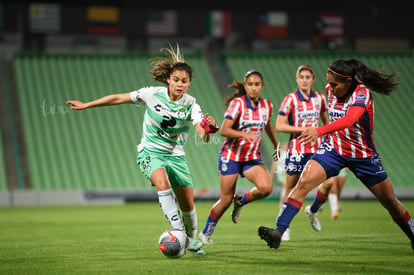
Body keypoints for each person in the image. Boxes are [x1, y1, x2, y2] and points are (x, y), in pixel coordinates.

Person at [66, 44, 219, 255]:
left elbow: (202, 133)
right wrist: (87, 104)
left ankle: (190, 241)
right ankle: (178, 233)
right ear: (168, 79)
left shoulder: (192, 104)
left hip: (175, 156)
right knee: (161, 181)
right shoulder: (151, 94)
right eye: (176, 80)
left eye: (184, 81)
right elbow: (119, 98)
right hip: (150, 152)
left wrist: (208, 129)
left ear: (189, 83)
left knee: (188, 204)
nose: (180, 84)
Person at [258, 58, 414, 250]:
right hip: (334, 150)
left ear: (348, 82)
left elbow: (349, 120)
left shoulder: (362, 93)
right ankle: (278, 232)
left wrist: (319, 131)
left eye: (334, 84)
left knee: (390, 202)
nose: (329, 88)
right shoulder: (330, 90)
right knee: (303, 183)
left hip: (363, 155)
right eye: (328, 82)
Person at [198, 70, 279, 244]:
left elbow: (267, 124)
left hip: (251, 158)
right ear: (245, 86)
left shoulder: (267, 106)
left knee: (266, 188)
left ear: (262, 86)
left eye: (257, 84)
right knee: (226, 199)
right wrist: (245, 135)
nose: (254, 88)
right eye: (250, 84)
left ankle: (241, 200)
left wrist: (275, 144)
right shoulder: (238, 105)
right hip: (232, 156)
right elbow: (224, 130)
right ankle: (206, 233)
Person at [274, 65, 329, 240]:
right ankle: (283, 226)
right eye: (302, 77)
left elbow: (327, 123)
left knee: (330, 182)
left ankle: (313, 210)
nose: (305, 80)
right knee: (290, 188)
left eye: (308, 77)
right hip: (296, 149)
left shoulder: (320, 99)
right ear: (297, 79)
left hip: (317, 148)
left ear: (313, 79)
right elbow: (279, 125)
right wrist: (302, 129)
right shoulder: (290, 99)